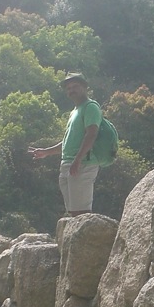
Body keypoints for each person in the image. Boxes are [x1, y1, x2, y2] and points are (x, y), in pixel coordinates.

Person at [29, 72, 102, 216]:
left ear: (84, 87)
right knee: (72, 211)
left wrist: (78, 160)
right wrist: (46, 152)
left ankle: (88, 238)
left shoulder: (91, 107)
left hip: (83, 163)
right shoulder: (75, 111)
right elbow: (69, 141)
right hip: (68, 163)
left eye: (75, 86)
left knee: (82, 212)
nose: (71, 90)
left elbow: (91, 134)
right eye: (68, 88)